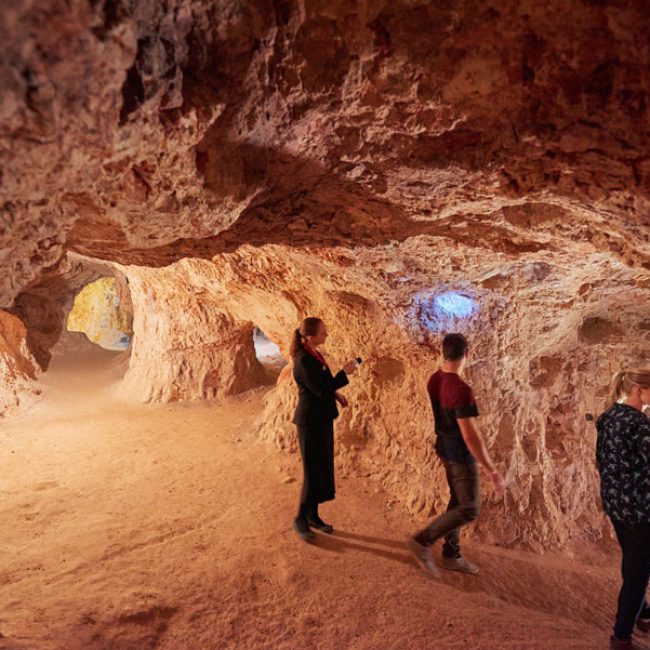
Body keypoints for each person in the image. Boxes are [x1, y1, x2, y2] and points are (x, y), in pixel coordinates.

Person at [408, 332, 505, 577]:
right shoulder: (461, 390)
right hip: (460, 456)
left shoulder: (434, 379)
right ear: (467, 355)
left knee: (456, 501)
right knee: (469, 508)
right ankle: (423, 541)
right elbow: (471, 436)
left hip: (443, 448)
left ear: (443, 353)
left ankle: (452, 554)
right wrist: (491, 469)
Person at [290, 317, 358, 542]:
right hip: (309, 421)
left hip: (321, 417)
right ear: (310, 337)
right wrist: (344, 373)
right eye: (323, 333)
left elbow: (321, 384)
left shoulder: (314, 354)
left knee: (320, 468)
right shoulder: (302, 360)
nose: (326, 335)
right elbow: (319, 388)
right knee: (312, 471)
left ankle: (313, 515)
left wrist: (336, 394)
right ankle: (300, 519)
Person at [596, 369, 650, 650]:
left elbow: (601, 463)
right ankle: (621, 637)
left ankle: (642, 613)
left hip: (615, 503)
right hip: (640, 509)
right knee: (639, 573)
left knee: (632, 560)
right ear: (640, 390)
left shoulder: (608, 418)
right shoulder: (639, 423)